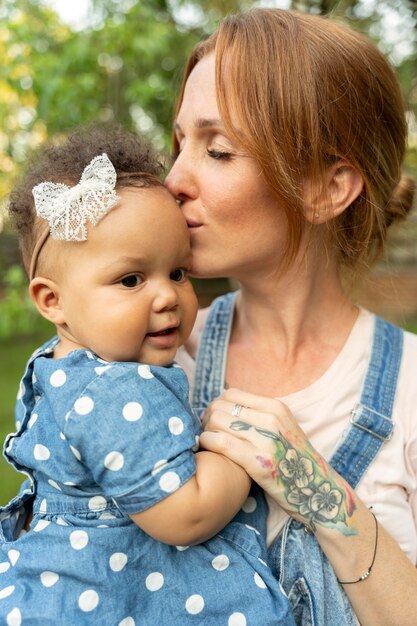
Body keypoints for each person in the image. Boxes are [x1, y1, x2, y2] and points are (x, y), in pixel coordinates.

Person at [165, 7, 417, 626]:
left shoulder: (412, 390)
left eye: (217, 150)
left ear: (328, 188)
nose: (172, 179)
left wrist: (313, 486)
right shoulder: (154, 355)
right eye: (179, 144)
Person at [0, 127, 296, 625]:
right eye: (131, 279)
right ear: (53, 301)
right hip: (102, 600)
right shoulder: (114, 388)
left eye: (178, 272)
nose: (166, 296)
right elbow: (186, 514)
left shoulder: (68, 366)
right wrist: (238, 458)